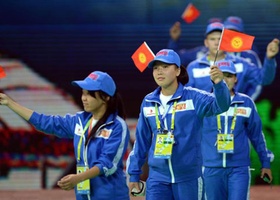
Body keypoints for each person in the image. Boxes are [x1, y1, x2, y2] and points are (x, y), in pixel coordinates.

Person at [0, 71, 130, 200]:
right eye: (83, 93)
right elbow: (44, 123)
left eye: (89, 94)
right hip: (84, 195)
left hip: (110, 196)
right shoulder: (80, 120)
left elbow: (106, 164)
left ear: (106, 97)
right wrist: (9, 103)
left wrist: (78, 178)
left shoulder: (117, 126)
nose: (83, 98)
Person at [126, 49, 231, 200]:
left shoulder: (194, 97)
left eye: (165, 67)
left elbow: (222, 106)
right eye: (156, 68)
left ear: (177, 70)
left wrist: (219, 84)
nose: (159, 72)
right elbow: (142, 141)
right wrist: (134, 173)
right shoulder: (148, 101)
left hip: (189, 178)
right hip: (157, 179)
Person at [201, 59, 272, 200]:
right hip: (210, 168)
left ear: (235, 79)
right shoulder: (203, 102)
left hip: (239, 169)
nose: (224, 80)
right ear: (213, 77)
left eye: (228, 76)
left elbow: (257, 135)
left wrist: (265, 163)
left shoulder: (246, 103)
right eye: (221, 75)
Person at [186, 22, 279, 98]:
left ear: (226, 40)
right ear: (206, 42)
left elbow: (264, 79)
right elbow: (188, 97)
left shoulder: (241, 63)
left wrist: (269, 58)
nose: (216, 43)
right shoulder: (193, 67)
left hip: (235, 117)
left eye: (220, 38)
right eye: (212, 39)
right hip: (205, 118)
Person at [223, 16, 263, 100]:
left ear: (242, 34)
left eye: (235, 32)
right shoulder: (215, 53)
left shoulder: (250, 56)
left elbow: (258, 83)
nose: (231, 36)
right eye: (228, 32)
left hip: (242, 107)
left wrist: (245, 102)